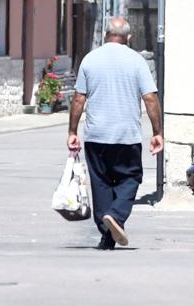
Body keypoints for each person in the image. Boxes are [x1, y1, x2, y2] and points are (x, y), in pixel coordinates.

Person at [67, 17, 163, 250]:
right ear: (128, 37)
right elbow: (150, 97)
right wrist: (157, 132)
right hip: (126, 136)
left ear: (105, 35)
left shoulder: (90, 60)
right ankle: (116, 216)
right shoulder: (136, 61)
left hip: (96, 136)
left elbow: (79, 98)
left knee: (100, 183)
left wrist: (72, 131)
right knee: (130, 178)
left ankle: (106, 236)